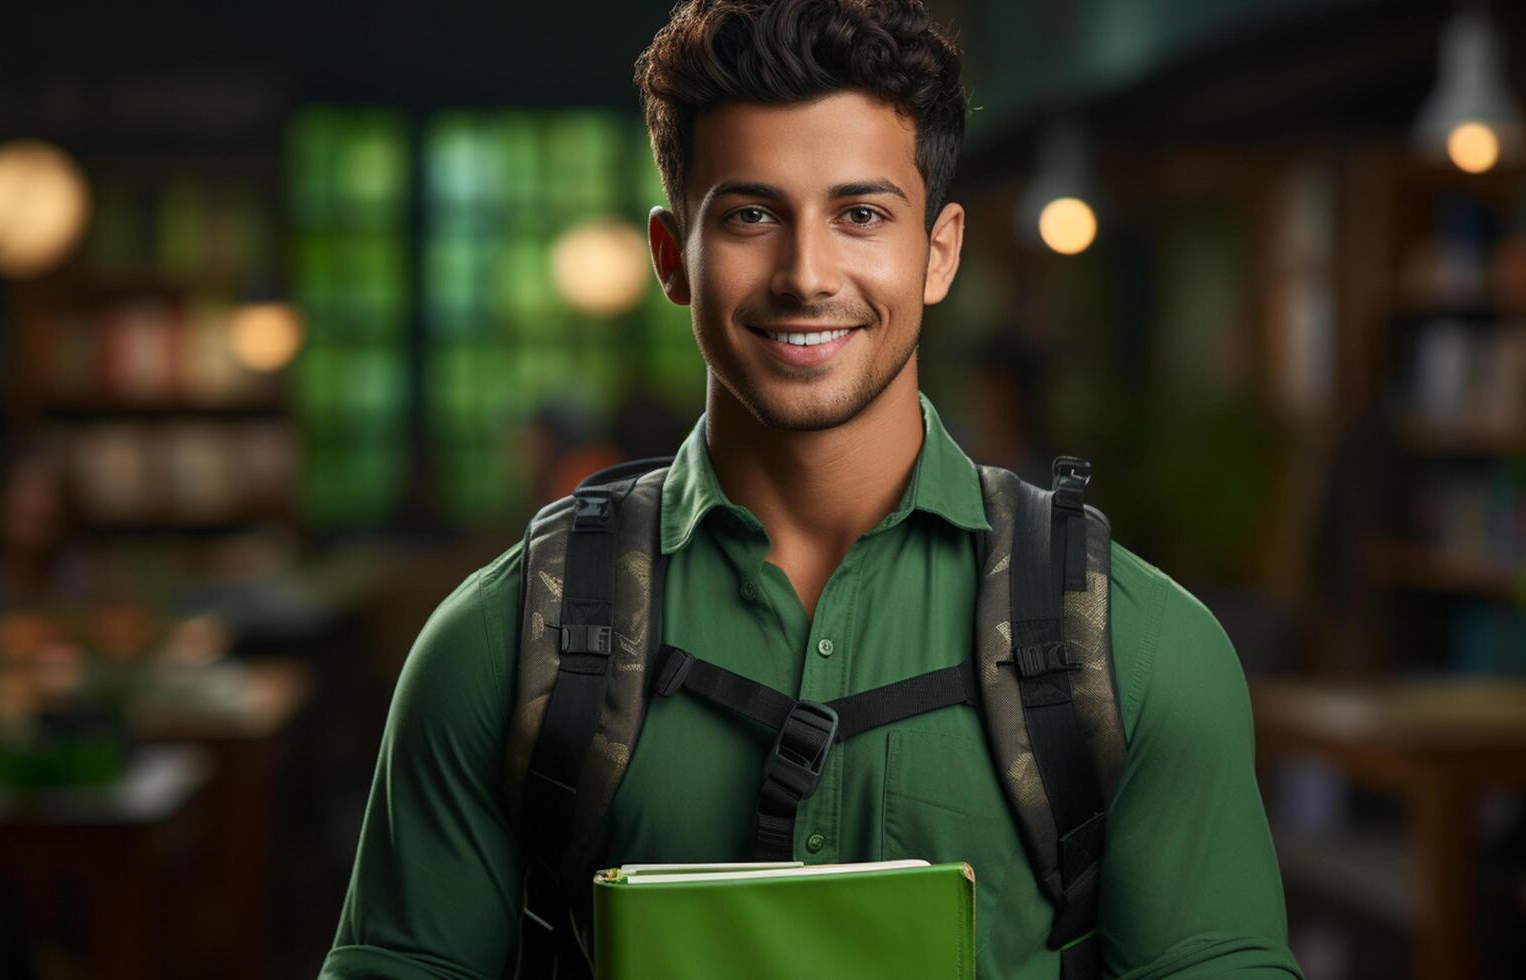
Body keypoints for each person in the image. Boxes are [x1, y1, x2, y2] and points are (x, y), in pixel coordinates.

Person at [320, 2, 1302, 977]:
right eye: (751, 214)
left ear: (940, 251)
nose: (806, 274)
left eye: (861, 214)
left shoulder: (1139, 648)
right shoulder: (496, 646)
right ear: (674, 258)